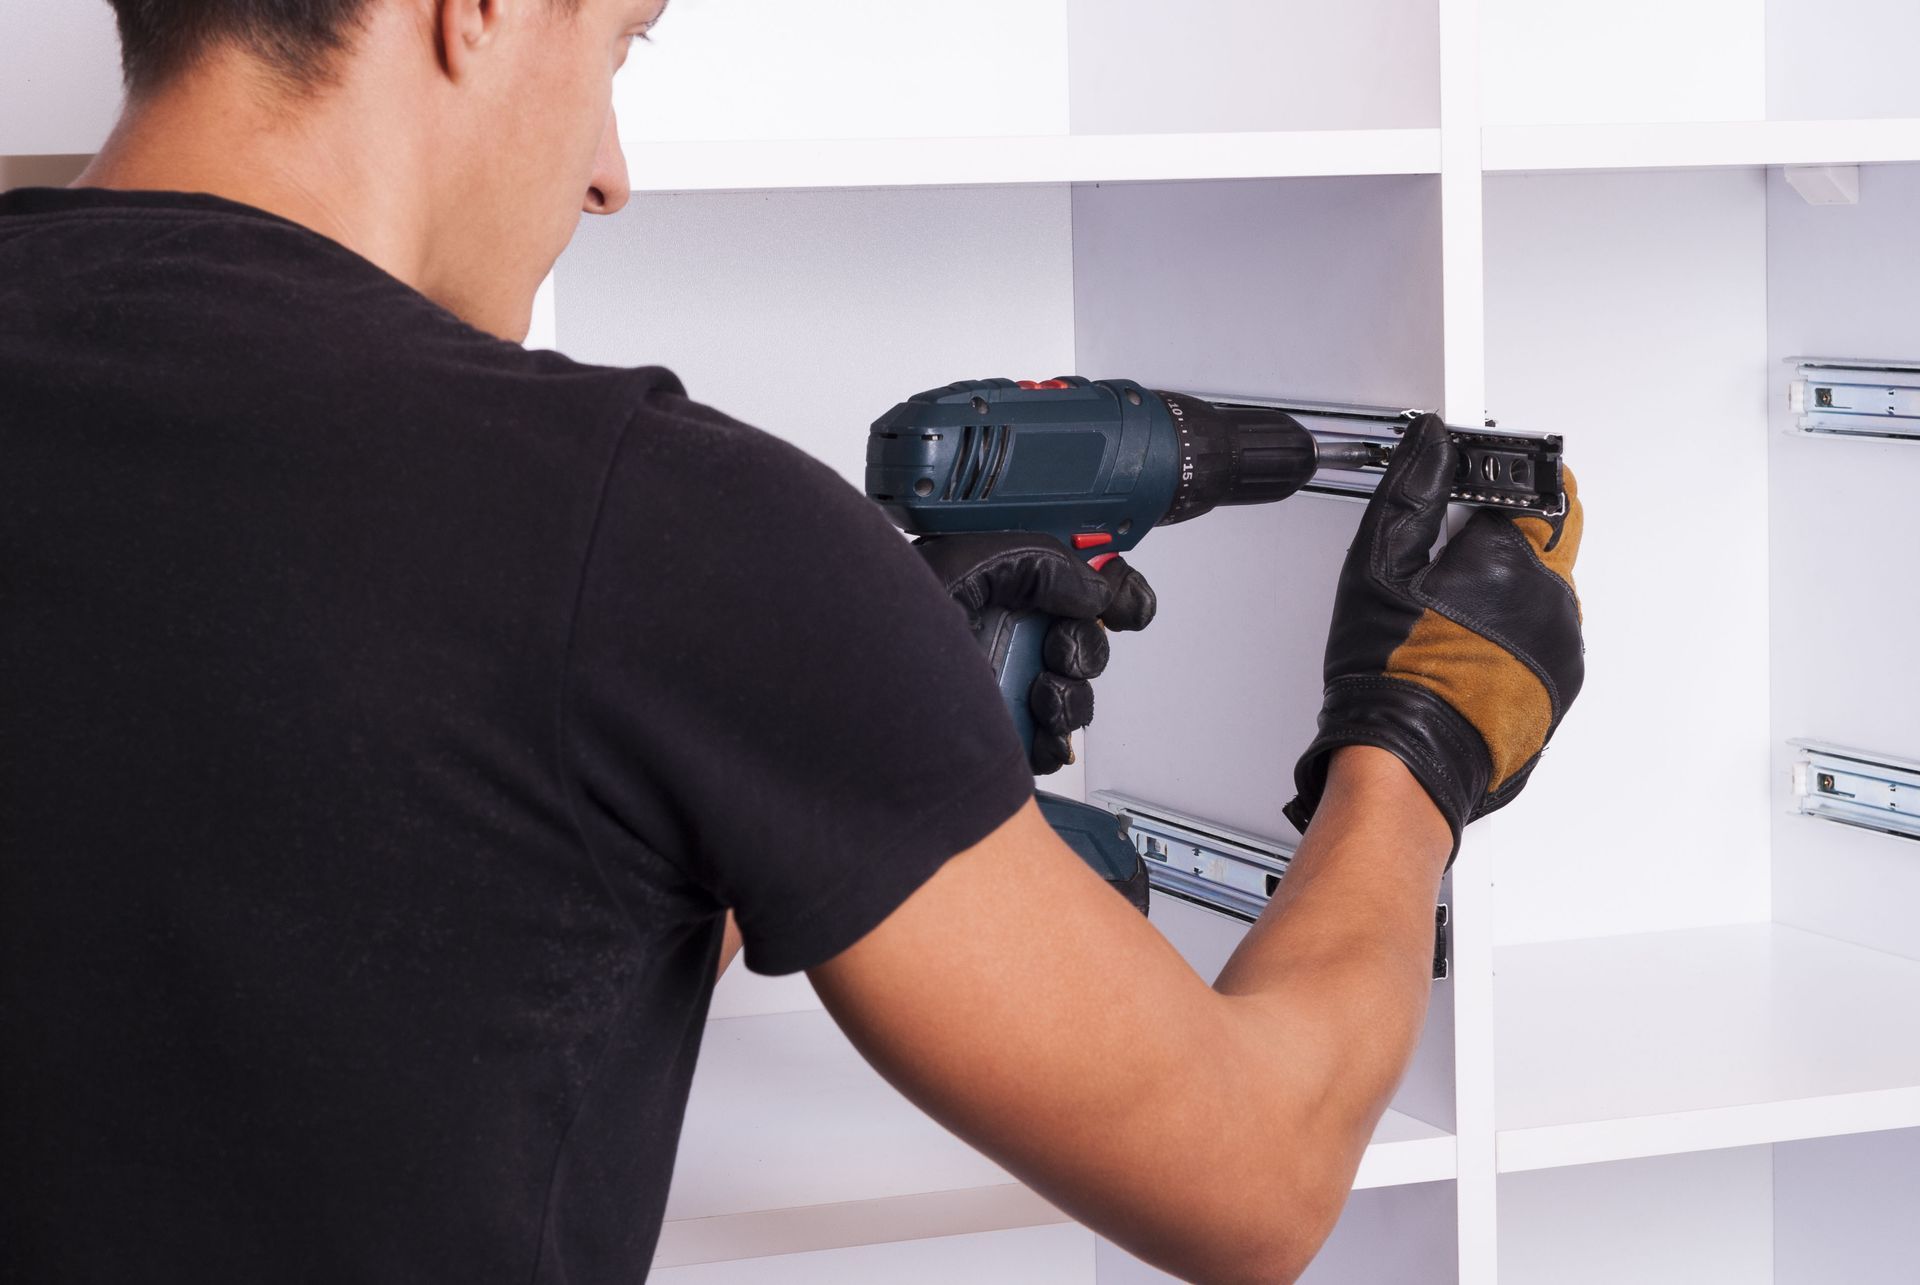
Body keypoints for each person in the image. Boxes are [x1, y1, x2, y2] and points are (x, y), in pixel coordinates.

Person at [0, 1, 1586, 1281]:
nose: (610, 169)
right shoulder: (656, 531)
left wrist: (817, 746)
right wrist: (1419, 740)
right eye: (621, 41)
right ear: (473, 11)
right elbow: (1255, 1181)